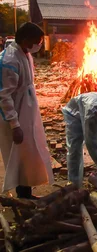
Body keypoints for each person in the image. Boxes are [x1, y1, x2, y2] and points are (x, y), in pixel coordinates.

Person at [0, 22, 54, 199]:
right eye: (36, 40)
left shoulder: (25, 52)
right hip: (14, 113)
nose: (39, 44)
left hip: (27, 110)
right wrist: (15, 124)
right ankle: (22, 195)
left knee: (30, 151)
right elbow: (5, 96)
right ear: (25, 39)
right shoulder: (10, 60)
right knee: (18, 155)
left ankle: (27, 191)